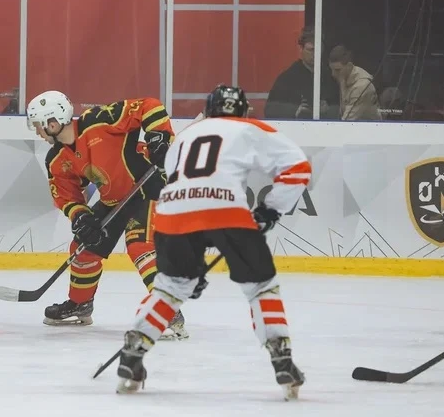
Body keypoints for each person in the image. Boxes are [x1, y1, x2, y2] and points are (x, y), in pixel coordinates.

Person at [115, 84, 310, 399]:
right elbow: (298, 168)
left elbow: (179, 178)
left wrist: (191, 268)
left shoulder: (187, 135)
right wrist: (271, 209)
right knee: (261, 286)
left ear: (208, 110)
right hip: (225, 208)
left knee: (171, 288)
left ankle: (133, 350)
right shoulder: (250, 128)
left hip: (171, 212)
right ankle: (281, 357)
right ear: (243, 110)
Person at [26, 91, 188, 340]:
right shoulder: (57, 159)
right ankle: (80, 304)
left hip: (150, 188)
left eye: (39, 125)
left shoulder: (99, 120)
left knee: (140, 245)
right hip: (114, 200)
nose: (38, 131)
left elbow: (149, 105)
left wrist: (158, 137)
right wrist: (80, 216)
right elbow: (67, 196)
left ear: (53, 121)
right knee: (83, 248)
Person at [264, 27, 338, 120]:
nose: (315, 54)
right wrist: (295, 110)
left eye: (318, 50)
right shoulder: (288, 78)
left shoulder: (329, 76)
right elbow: (269, 109)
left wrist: (329, 109)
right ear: (301, 49)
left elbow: (341, 108)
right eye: (311, 50)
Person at [328, 45, 381, 121]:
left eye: (337, 70)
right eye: (332, 70)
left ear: (349, 66)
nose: (333, 74)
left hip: (369, 127)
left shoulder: (361, 86)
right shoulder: (344, 78)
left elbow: (347, 121)